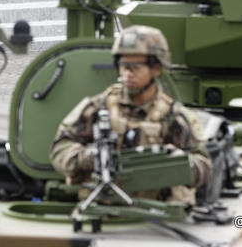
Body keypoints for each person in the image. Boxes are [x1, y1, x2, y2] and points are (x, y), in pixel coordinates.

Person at [49, 25, 211, 203]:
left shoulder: (175, 116)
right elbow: (60, 147)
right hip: (103, 209)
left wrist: (182, 164)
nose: (127, 73)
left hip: (157, 214)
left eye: (135, 67)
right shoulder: (98, 107)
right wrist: (87, 157)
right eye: (123, 65)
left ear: (156, 69)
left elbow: (204, 165)